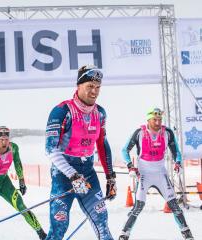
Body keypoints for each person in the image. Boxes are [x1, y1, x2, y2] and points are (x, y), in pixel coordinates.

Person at [45, 65, 117, 240]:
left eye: (98, 87)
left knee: (102, 222)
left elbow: (102, 144)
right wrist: (72, 175)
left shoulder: (100, 113)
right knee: (59, 228)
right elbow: (50, 149)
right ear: (79, 86)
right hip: (63, 174)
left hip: (88, 172)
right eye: (90, 86)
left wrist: (110, 177)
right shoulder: (62, 111)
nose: (94, 91)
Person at [119, 107, 194, 240]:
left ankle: (187, 234)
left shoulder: (168, 133)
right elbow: (125, 150)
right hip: (144, 174)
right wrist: (130, 167)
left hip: (160, 173)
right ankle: (124, 234)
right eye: (155, 119)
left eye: (160, 119)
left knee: (174, 205)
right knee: (138, 206)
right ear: (148, 120)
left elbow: (176, 150)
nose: (158, 122)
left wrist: (178, 163)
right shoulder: (139, 133)